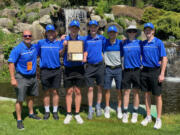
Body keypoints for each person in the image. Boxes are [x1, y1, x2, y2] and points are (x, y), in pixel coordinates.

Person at [8, 30, 41, 130]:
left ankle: (31, 113)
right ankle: (19, 120)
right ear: (23, 37)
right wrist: (13, 78)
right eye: (25, 36)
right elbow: (11, 63)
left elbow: (45, 44)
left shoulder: (34, 47)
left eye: (29, 36)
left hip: (32, 76)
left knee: (31, 96)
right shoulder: (18, 49)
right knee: (20, 99)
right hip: (21, 77)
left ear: (31, 37)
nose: (27, 37)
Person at [140, 23, 167, 129]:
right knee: (146, 94)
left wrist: (162, 73)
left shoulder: (159, 42)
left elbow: (164, 58)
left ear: (153, 31)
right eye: (146, 30)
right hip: (145, 71)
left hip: (155, 71)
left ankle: (158, 119)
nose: (148, 31)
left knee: (158, 95)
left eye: (149, 30)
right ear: (144, 31)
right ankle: (148, 116)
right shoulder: (143, 43)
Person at [36, 24, 63, 120]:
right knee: (46, 92)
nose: (50, 33)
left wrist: (64, 40)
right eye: (49, 32)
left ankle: (55, 111)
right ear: (46, 33)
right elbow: (36, 54)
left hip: (56, 70)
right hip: (45, 71)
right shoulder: (41, 43)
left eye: (52, 31)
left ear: (55, 33)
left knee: (55, 92)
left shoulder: (58, 43)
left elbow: (62, 52)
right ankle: (47, 111)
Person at [62, 20, 85, 124]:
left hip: (79, 68)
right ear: (69, 29)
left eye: (76, 28)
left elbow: (86, 51)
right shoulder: (65, 39)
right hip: (68, 68)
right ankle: (68, 113)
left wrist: (85, 57)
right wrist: (64, 46)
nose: (74, 30)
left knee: (78, 91)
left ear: (78, 29)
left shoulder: (83, 40)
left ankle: (77, 113)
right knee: (69, 92)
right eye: (72, 28)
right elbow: (61, 53)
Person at [83, 20, 106, 120]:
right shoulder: (85, 39)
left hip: (100, 66)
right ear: (89, 28)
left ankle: (98, 106)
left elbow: (110, 45)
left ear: (97, 28)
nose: (93, 28)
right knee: (90, 88)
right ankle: (90, 108)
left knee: (100, 87)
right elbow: (82, 49)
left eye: (95, 27)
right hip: (90, 66)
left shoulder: (102, 38)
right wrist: (63, 39)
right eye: (91, 27)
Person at [121, 25, 142, 123]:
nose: (132, 33)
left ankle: (135, 113)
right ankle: (125, 112)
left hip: (137, 70)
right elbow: (119, 54)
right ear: (127, 33)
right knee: (126, 92)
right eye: (130, 31)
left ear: (136, 33)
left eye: (133, 31)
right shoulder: (124, 43)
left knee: (136, 92)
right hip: (127, 71)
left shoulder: (140, 43)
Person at [103, 25, 123, 119]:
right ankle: (107, 107)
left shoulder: (121, 43)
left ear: (117, 34)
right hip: (108, 69)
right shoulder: (105, 42)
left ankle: (119, 108)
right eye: (110, 32)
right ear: (108, 34)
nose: (112, 34)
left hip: (118, 69)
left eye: (113, 32)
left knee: (119, 89)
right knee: (107, 89)